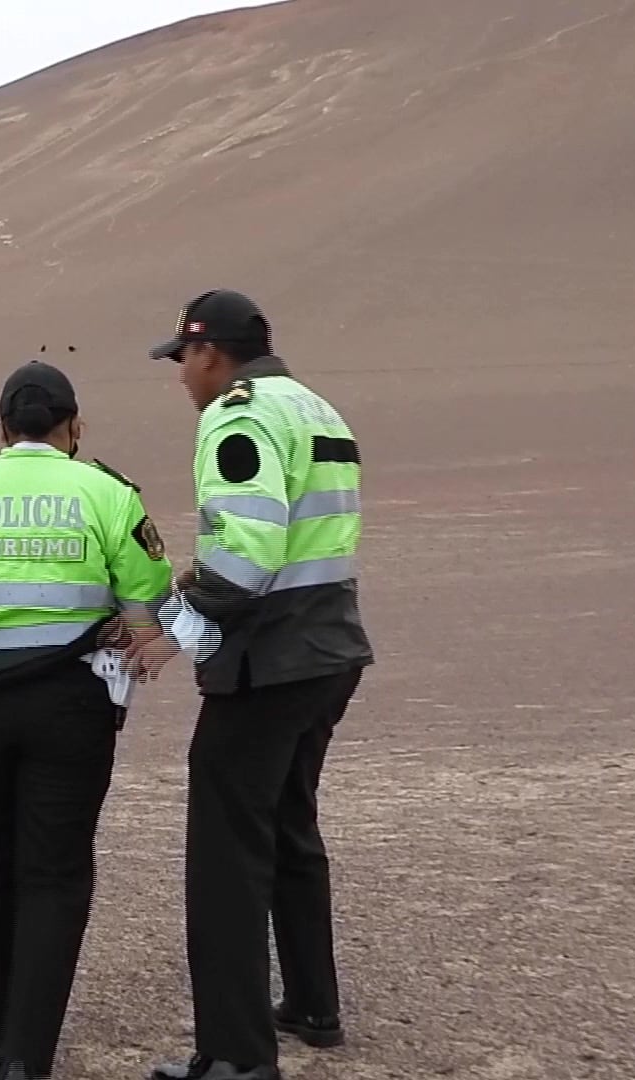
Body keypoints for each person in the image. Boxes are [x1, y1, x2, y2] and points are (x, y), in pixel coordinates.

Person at [0, 360, 172, 1080]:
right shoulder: (107, 492)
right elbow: (149, 588)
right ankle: (27, 1055)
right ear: (75, 428)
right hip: (71, 707)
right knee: (54, 875)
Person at [133, 290, 374, 1080]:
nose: (181, 380)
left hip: (270, 662)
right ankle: (313, 1003)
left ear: (211, 354)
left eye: (183, 361)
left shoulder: (238, 416)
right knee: (289, 825)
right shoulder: (315, 407)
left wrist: (176, 620)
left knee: (227, 852)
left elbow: (244, 560)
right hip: (329, 647)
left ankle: (236, 1055)